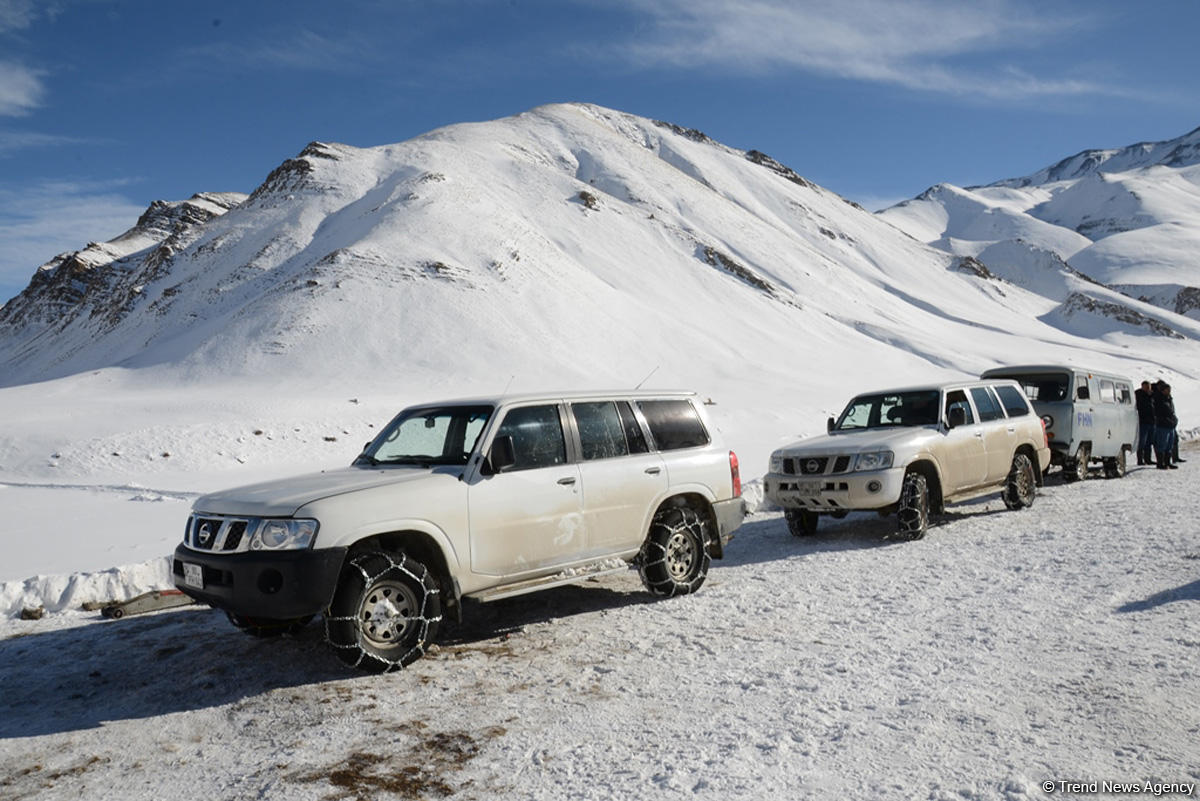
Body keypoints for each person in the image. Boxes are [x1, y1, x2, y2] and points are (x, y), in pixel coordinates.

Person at [1152, 382, 1178, 470]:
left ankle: (1167, 462)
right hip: (1162, 425)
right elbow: (1158, 412)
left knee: (1169, 445)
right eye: (1167, 390)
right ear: (1163, 390)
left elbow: (1171, 411)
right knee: (1162, 445)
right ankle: (1160, 463)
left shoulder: (1169, 399)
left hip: (1170, 425)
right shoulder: (1158, 399)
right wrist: (1165, 420)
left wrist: (1174, 420)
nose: (1169, 391)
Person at [1135, 380, 1155, 465]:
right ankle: (1140, 460)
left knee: (1149, 442)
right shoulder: (1138, 395)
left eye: (1149, 387)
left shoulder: (1151, 396)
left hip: (1151, 421)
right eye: (1146, 387)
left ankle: (1148, 459)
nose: (1148, 389)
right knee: (1142, 442)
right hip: (1143, 421)